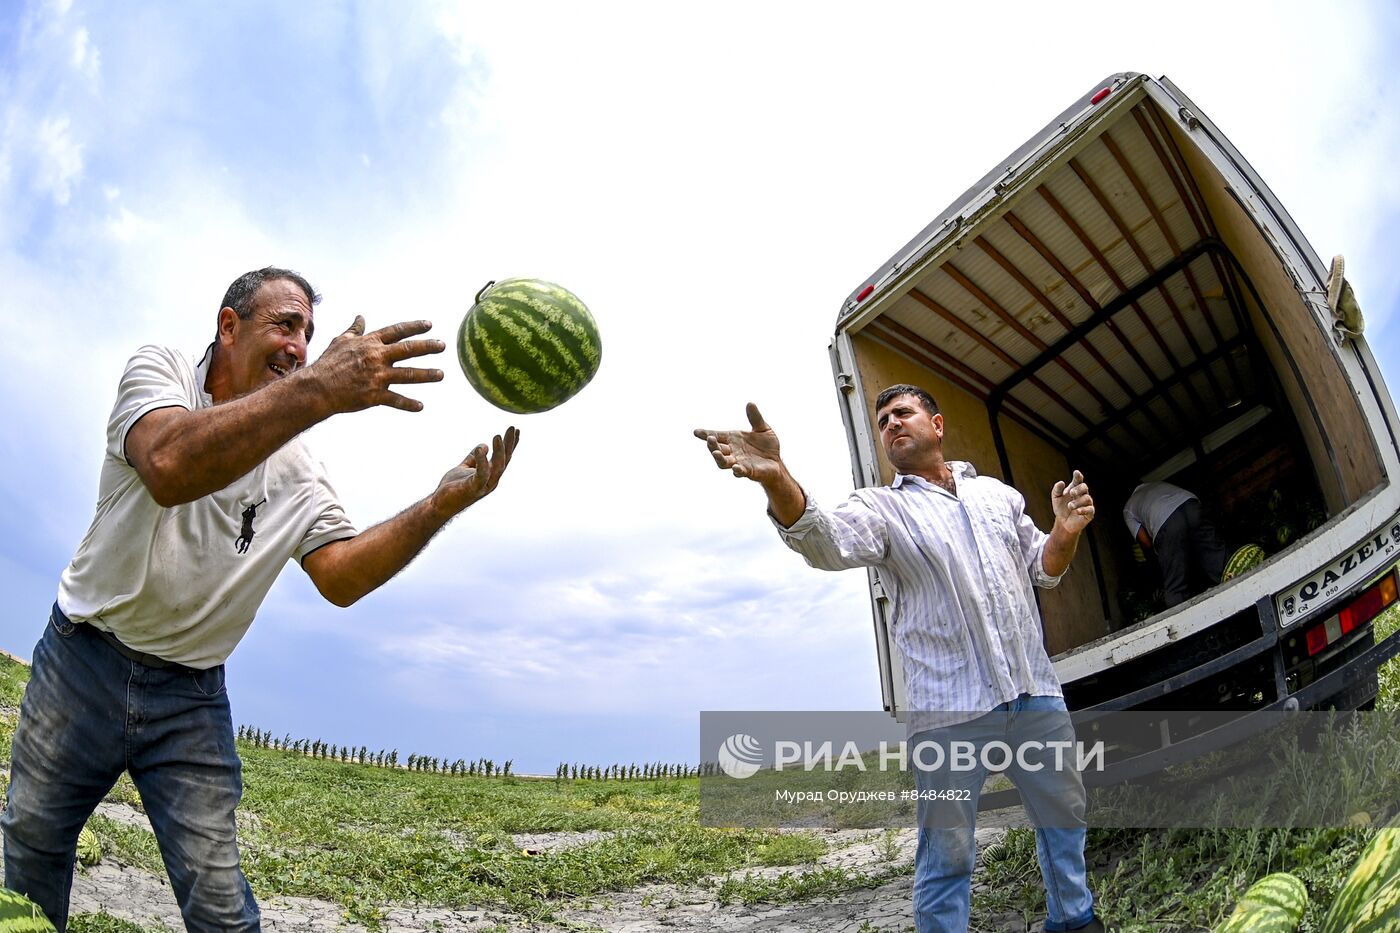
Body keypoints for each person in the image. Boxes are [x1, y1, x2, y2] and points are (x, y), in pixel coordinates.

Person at [2, 267, 519, 932]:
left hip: (187, 698)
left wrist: (438, 504)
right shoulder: (162, 374)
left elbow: (341, 575)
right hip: (82, 661)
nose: (300, 345)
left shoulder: (299, 468)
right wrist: (318, 392)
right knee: (34, 846)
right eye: (285, 324)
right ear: (228, 326)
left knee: (220, 901)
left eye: (308, 333)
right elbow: (168, 466)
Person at [695, 384, 1107, 933]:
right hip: (949, 714)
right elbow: (825, 541)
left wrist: (1065, 530)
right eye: (883, 418)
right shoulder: (882, 508)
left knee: (1064, 821)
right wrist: (777, 477)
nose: (891, 423)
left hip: (1035, 694)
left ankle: (1075, 924)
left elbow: (1044, 568)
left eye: (903, 413)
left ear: (936, 425)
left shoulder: (999, 497)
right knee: (949, 855)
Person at [1122, 481, 1230, 607]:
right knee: (1216, 557)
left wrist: (1162, 554)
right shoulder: (1156, 484)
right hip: (1191, 505)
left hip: (1167, 521)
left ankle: (1182, 620)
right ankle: (1239, 586)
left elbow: (1145, 542)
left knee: (1175, 585)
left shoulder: (1128, 508)